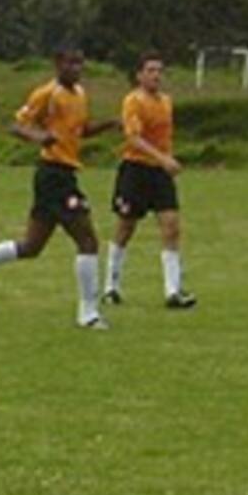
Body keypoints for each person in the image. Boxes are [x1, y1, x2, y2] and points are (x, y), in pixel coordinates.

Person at [0, 49, 118, 329]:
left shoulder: (81, 94)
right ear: (58, 65)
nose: (76, 68)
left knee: (31, 246)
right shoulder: (47, 93)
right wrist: (40, 137)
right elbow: (17, 125)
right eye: (71, 63)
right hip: (53, 175)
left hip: (64, 174)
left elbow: (80, 130)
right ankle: (88, 314)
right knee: (88, 241)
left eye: (80, 63)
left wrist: (109, 125)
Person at [101, 52, 197, 310]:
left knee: (171, 226)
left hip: (159, 173)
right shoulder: (133, 101)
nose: (156, 75)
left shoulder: (166, 101)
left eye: (159, 70)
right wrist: (163, 158)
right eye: (151, 70)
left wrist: (166, 160)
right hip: (135, 170)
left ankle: (173, 291)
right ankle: (111, 286)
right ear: (139, 75)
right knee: (125, 227)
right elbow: (134, 138)